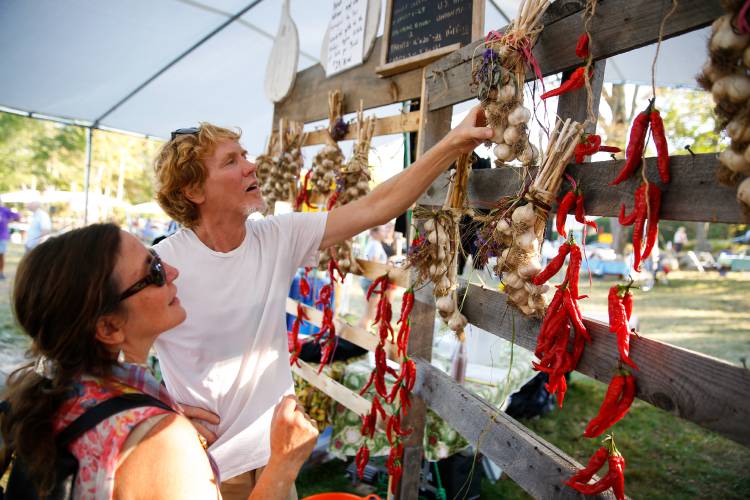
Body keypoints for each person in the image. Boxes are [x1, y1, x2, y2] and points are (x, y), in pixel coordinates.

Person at [151, 108, 491, 499]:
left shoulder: (276, 236)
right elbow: (99, 350)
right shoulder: (164, 264)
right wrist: (157, 410)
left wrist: (453, 143)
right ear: (194, 191)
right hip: (205, 465)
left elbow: (375, 206)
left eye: (245, 154)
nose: (252, 165)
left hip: (276, 453)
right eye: (232, 160)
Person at [0, 223, 318, 499]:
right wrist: (283, 463)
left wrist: (158, 419)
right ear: (109, 327)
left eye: (158, 259)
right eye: (153, 272)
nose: (172, 272)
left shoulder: (57, 393)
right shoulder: (161, 439)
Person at [0, 195, 20, 279]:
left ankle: (0, 273)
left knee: (1, 255)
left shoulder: (4, 210)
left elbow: (17, 216)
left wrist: (11, 219)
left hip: (2, 236)